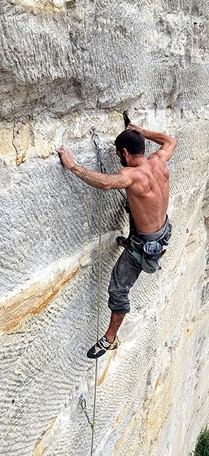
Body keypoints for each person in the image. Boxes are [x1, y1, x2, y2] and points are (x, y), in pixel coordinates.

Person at [57, 124, 177, 359]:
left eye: (117, 154)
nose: (117, 158)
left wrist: (72, 166)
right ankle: (132, 241)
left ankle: (110, 339)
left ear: (124, 152)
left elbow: (106, 183)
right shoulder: (159, 160)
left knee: (118, 288)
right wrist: (142, 131)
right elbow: (170, 141)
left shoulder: (132, 175)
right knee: (132, 205)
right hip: (162, 229)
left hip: (145, 243)